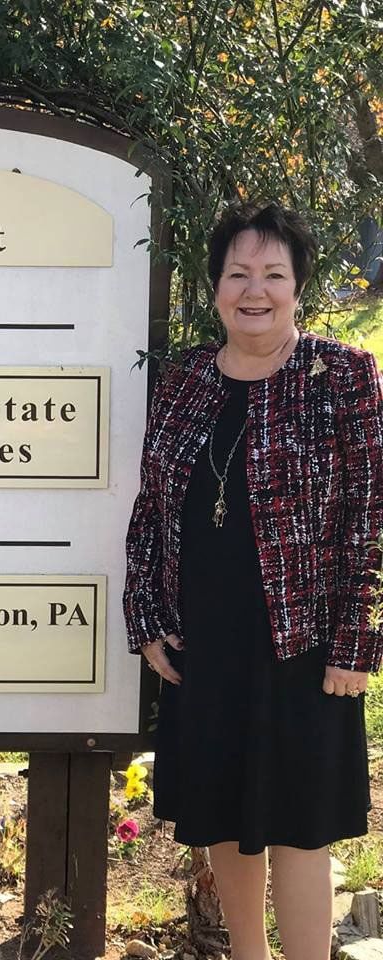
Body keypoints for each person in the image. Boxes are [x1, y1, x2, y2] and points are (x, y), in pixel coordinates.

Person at [124, 203, 382, 960]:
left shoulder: (341, 376)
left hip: (304, 642)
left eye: (273, 273)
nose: (255, 289)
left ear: (298, 286)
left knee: (300, 826)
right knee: (223, 819)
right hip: (204, 637)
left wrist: (356, 641)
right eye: (239, 273)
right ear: (215, 288)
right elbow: (151, 508)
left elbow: (370, 514)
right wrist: (146, 616)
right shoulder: (184, 380)